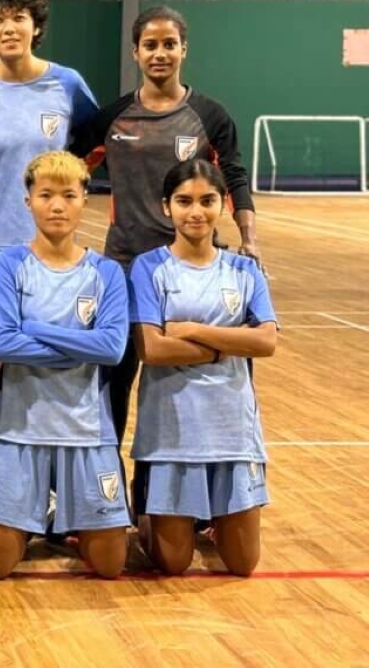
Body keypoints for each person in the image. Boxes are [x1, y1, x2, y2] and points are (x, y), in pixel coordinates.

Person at [71, 6, 259, 446]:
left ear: (184, 50)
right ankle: (109, 494)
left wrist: (249, 240)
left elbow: (233, 178)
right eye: (150, 45)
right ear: (135, 52)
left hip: (193, 271)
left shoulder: (210, 116)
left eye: (169, 44)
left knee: (194, 383)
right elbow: (66, 171)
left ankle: (191, 497)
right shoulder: (110, 119)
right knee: (113, 383)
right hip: (123, 268)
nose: (160, 53)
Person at [0, 0, 99, 463]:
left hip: (48, 250)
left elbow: (89, 150)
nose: (9, 26)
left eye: (19, 17)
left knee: (42, 369)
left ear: (36, 26)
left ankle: (42, 477)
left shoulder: (68, 84)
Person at [0, 152, 129, 580]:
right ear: (28, 202)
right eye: (45, 195)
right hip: (17, 430)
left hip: (86, 429)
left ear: (85, 201)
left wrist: (35, 328)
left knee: (112, 565)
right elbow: (4, 343)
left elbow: (112, 349)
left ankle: (65, 514)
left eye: (68, 195)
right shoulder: (9, 265)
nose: (56, 205)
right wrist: (83, 346)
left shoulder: (107, 273)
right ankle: (16, 518)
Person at [129, 159, 276, 577]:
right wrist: (228, 345)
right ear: (166, 207)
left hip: (232, 429)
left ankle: (212, 520)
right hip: (171, 430)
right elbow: (153, 349)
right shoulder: (148, 267)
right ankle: (148, 518)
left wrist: (193, 330)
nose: (196, 212)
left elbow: (266, 341)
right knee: (172, 564)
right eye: (184, 201)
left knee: (243, 565)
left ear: (223, 204)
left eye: (207, 200)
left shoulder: (246, 270)